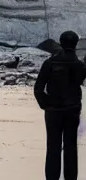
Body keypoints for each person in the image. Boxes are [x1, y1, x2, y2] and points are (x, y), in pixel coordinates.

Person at [34, 30, 86, 180]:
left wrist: (45, 103)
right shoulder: (79, 65)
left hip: (53, 111)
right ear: (75, 44)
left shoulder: (50, 62)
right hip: (72, 110)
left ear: (61, 42)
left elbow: (38, 87)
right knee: (71, 148)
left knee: (53, 148)